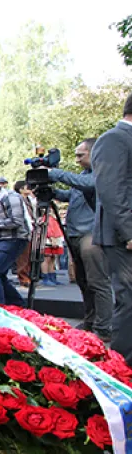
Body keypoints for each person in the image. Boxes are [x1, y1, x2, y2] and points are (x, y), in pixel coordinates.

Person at [48, 138, 111, 341]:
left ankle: (104, 327)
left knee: (97, 282)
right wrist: (53, 193)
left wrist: (55, 174)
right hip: (76, 234)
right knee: (83, 282)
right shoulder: (83, 175)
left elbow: (87, 185)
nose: (77, 160)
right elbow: (72, 195)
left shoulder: (100, 173)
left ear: (93, 153)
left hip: (91, 234)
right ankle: (91, 320)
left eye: (80, 155)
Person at [92, 91, 132, 365]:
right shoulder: (114, 139)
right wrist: (129, 231)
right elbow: (111, 190)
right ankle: (121, 368)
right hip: (123, 236)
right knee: (129, 301)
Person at [0, 176, 29, 306]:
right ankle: (18, 304)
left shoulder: (10, 196)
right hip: (1, 239)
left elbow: (17, 221)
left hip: (14, 238)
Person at [13, 181, 36, 287]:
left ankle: (28, 275)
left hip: (31, 228)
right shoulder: (17, 199)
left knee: (29, 255)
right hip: (23, 230)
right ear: (20, 189)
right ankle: (23, 277)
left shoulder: (29, 200)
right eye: (27, 187)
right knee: (23, 256)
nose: (29, 189)